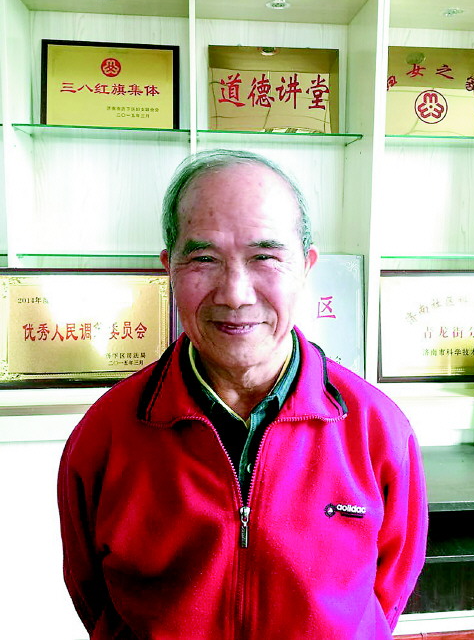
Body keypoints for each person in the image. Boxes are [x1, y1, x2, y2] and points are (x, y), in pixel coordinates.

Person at [58, 148, 427, 640]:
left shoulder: (374, 426)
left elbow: (389, 590)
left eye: (265, 258)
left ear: (306, 266)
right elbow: (92, 593)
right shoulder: (108, 432)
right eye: (204, 259)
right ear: (169, 268)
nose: (235, 294)